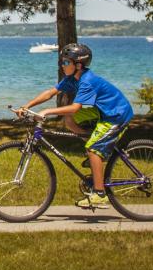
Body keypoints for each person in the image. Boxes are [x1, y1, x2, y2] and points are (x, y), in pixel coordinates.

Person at [16, 43, 134, 209]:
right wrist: (27, 106)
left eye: (65, 63)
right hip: (101, 112)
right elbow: (50, 92)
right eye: (61, 62)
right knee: (69, 120)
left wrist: (47, 111)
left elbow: (75, 107)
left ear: (78, 65)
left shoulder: (87, 81)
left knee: (93, 147)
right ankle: (98, 151)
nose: (62, 66)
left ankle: (99, 194)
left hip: (116, 115)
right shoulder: (72, 79)